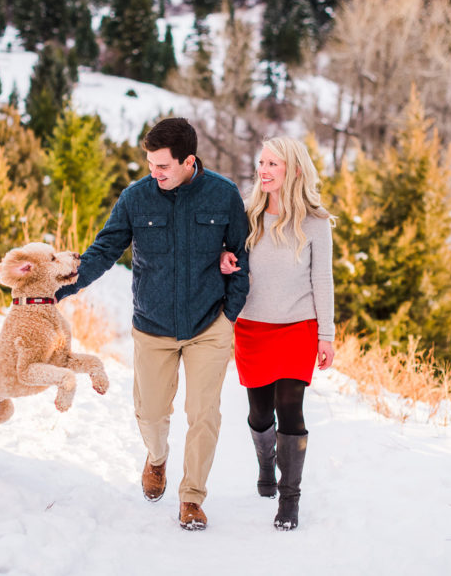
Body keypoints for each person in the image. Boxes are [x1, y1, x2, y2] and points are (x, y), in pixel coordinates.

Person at [56, 117, 250, 531]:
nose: (154, 172)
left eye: (162, 166)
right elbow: (103, 250)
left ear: (188, 161)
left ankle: (192, 497)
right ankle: (156, 459)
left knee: (203, 414)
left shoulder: (223, 195)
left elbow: (241, 256)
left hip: (208, 325)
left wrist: (229, 315)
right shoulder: (136, 198)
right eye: (150, 164)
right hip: (153, 325)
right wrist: (57, 290)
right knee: (151, 413)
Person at [219, 136, 335, 531]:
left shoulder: (316, 222)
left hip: (299, 327)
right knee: (258, 411)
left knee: (291, 409)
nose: (263, 171)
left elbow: (323, 279)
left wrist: (327, 334)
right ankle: (265, 463)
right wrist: (224, 258)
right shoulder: (247, 215)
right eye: (262, 163)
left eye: (273, 164)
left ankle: (290, 499)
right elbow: (226, 255)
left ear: (294, 170)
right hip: (253, 327)